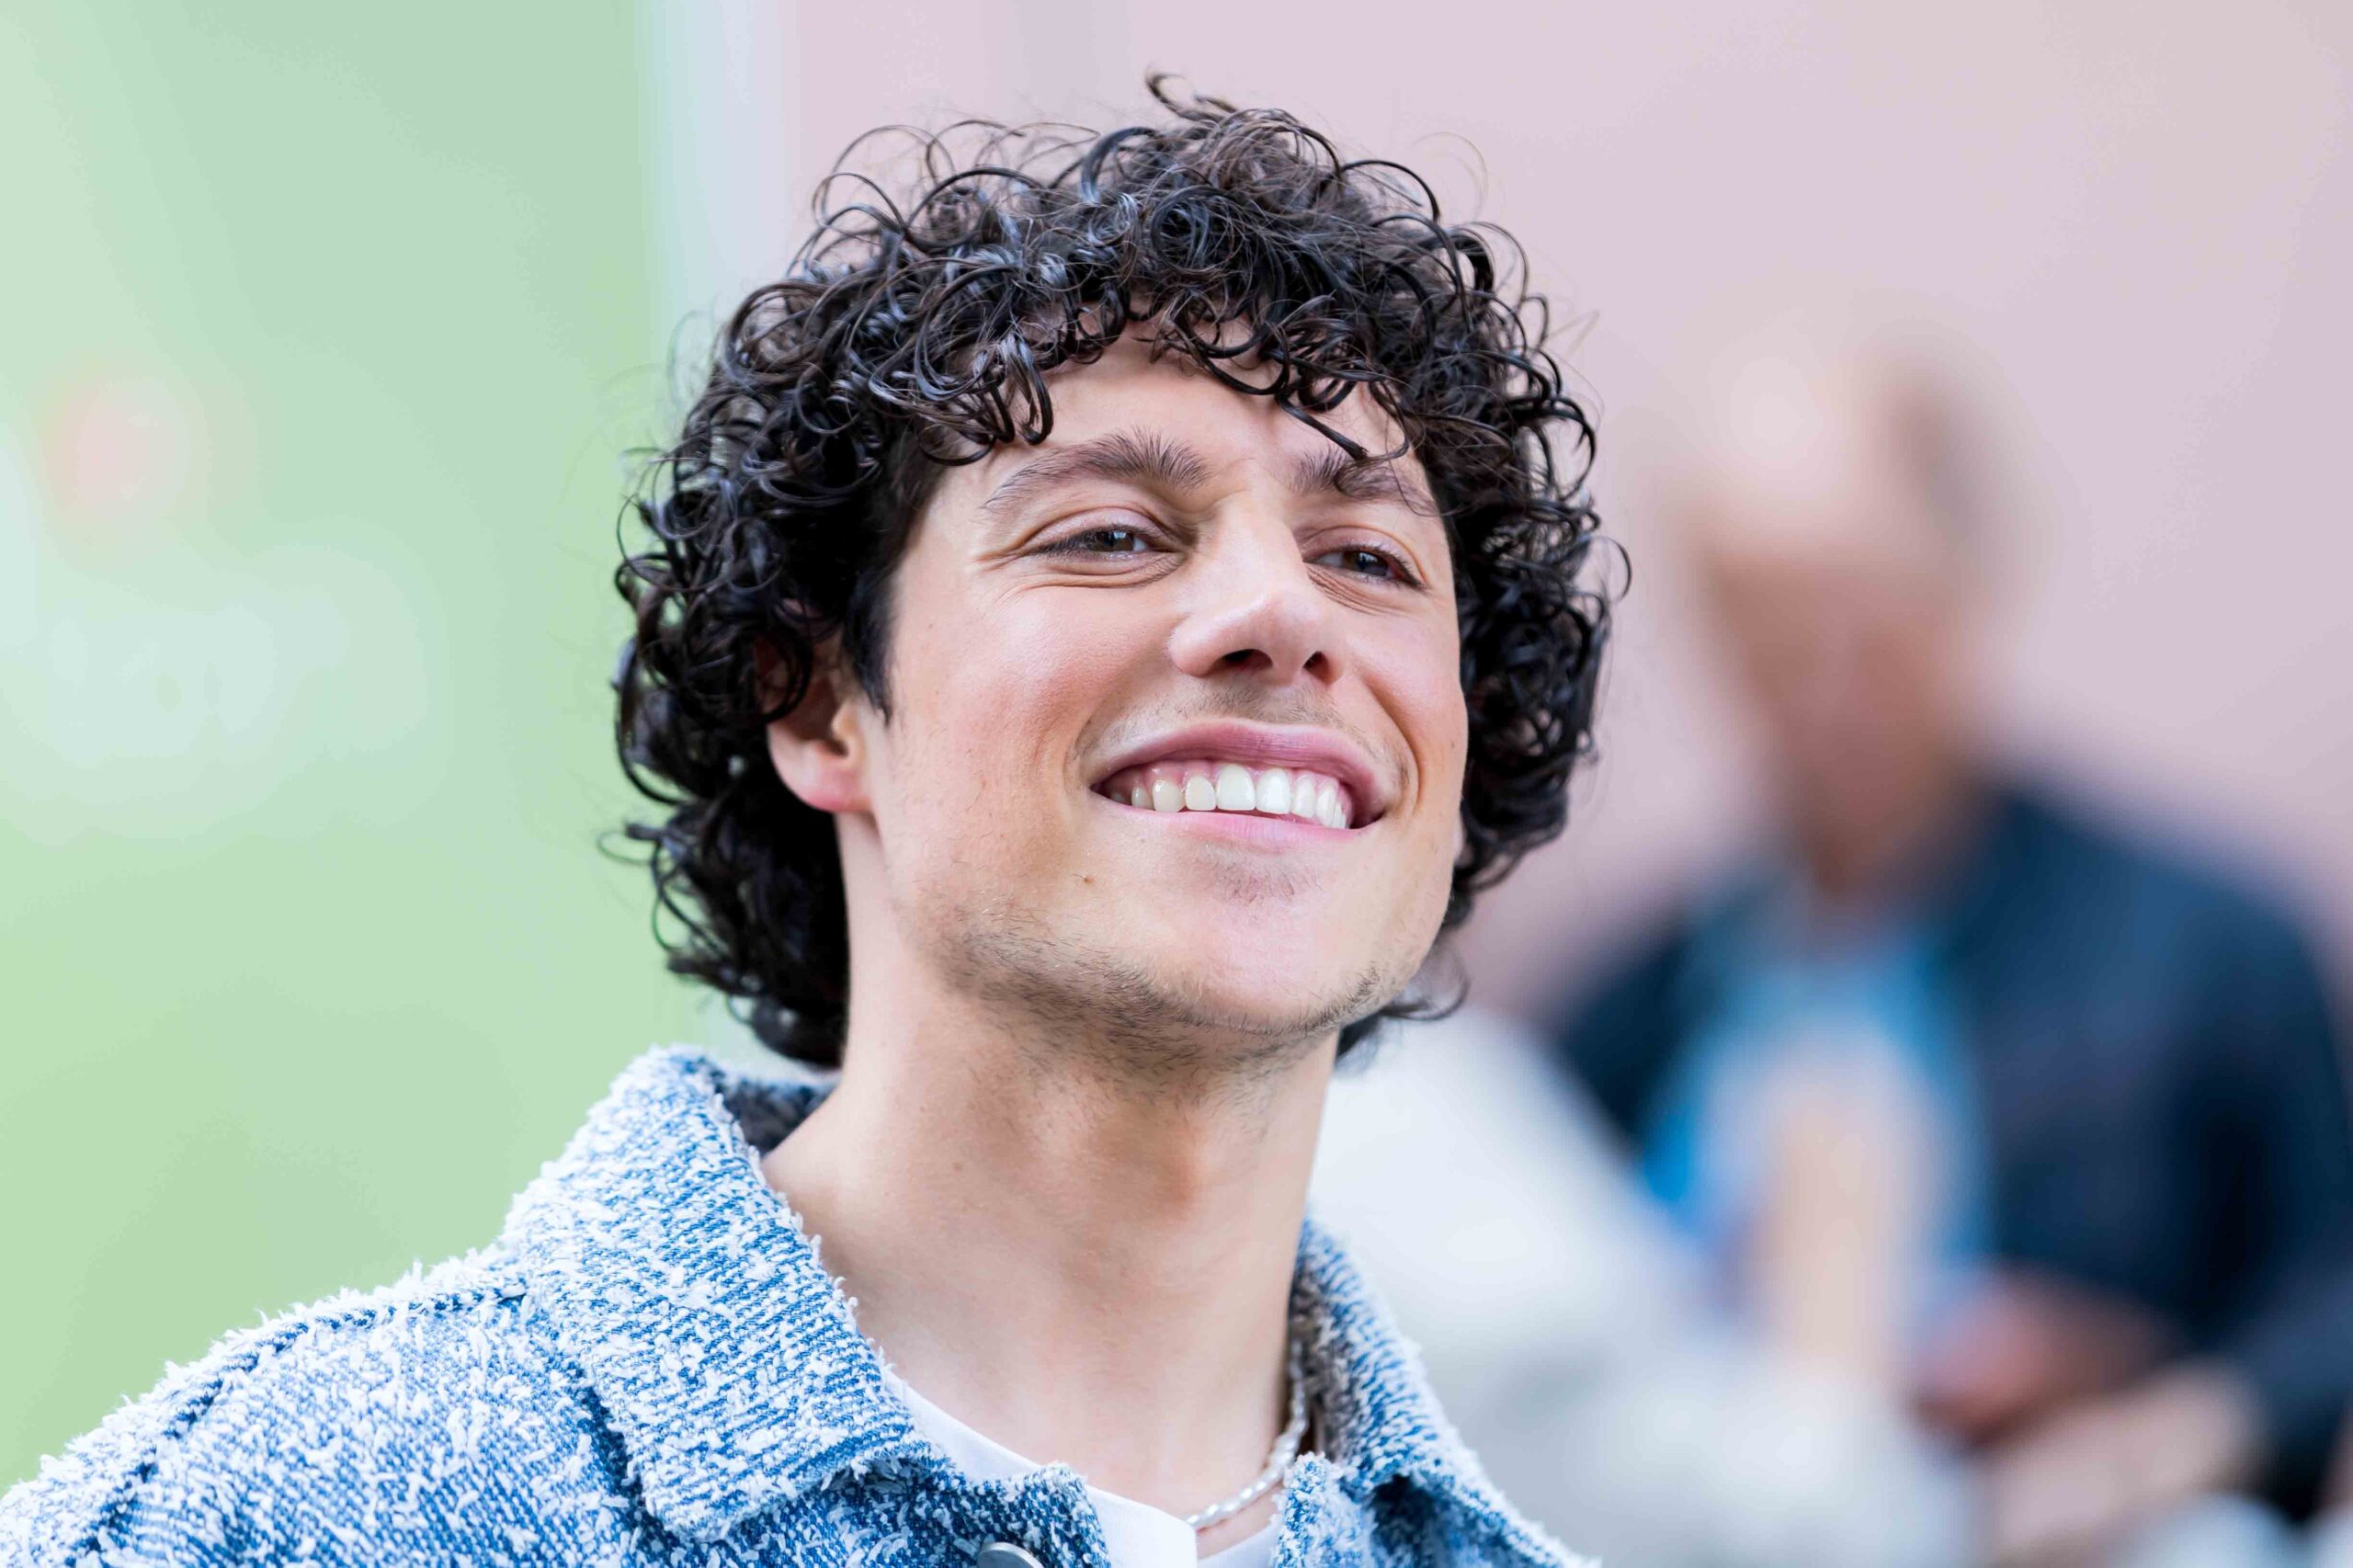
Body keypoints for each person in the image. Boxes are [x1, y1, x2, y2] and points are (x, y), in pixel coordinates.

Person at [0, 82, 1609, 1567]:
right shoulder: (277, 1519)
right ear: (820, 701)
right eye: (1113, 533)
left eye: (1370, 559)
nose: (1279, 611)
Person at [1550, 337, 2353, 1563]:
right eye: (1766, 630)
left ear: (1967, 581)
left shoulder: (2204, 946)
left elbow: (2329, 1295)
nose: (1823, 683)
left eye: (1866, 620)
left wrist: (2156, 1417)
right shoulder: (1633, 1003)